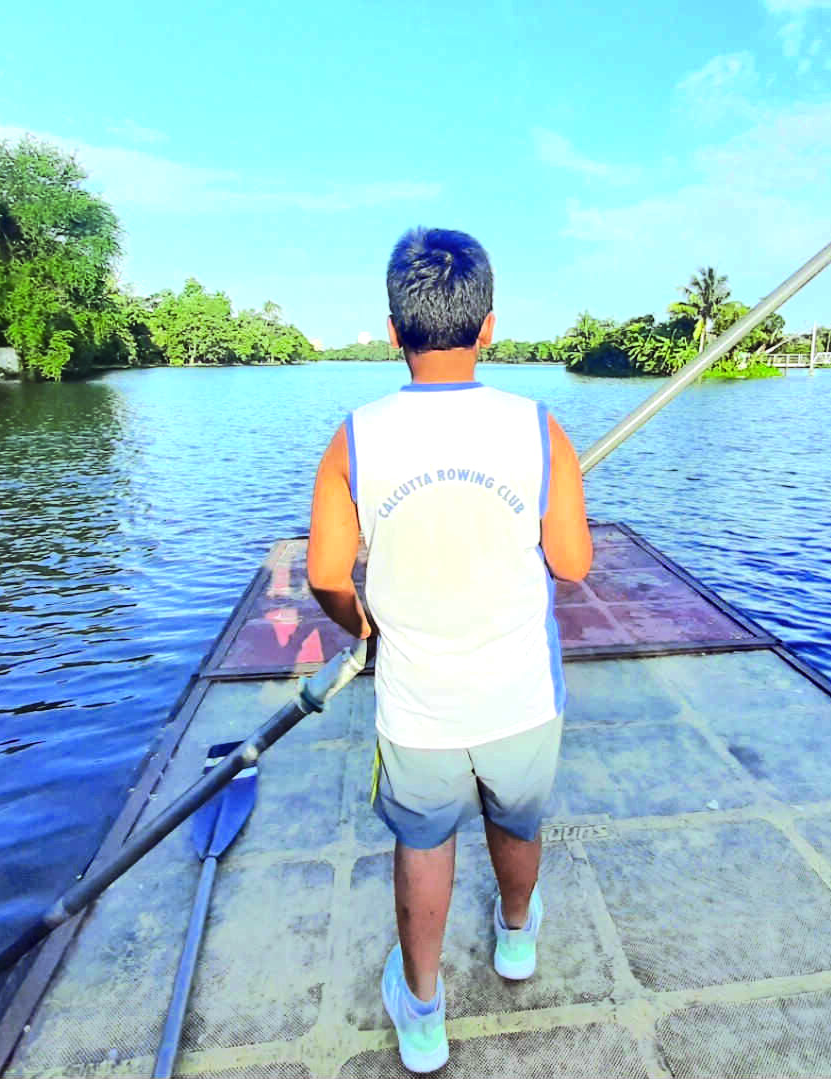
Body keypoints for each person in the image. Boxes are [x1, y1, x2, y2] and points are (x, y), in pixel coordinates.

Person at [306, 227, 593, 1074]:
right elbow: (572, 564)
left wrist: (360, 624)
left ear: (392, 331)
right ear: (490, 327)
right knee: (517, 817)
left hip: (417, 701)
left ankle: (424, 1012)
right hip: (521, 697)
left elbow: (327, 572)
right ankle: (514, 940)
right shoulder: (539, 428)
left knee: (424, 843)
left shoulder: (354, 436)